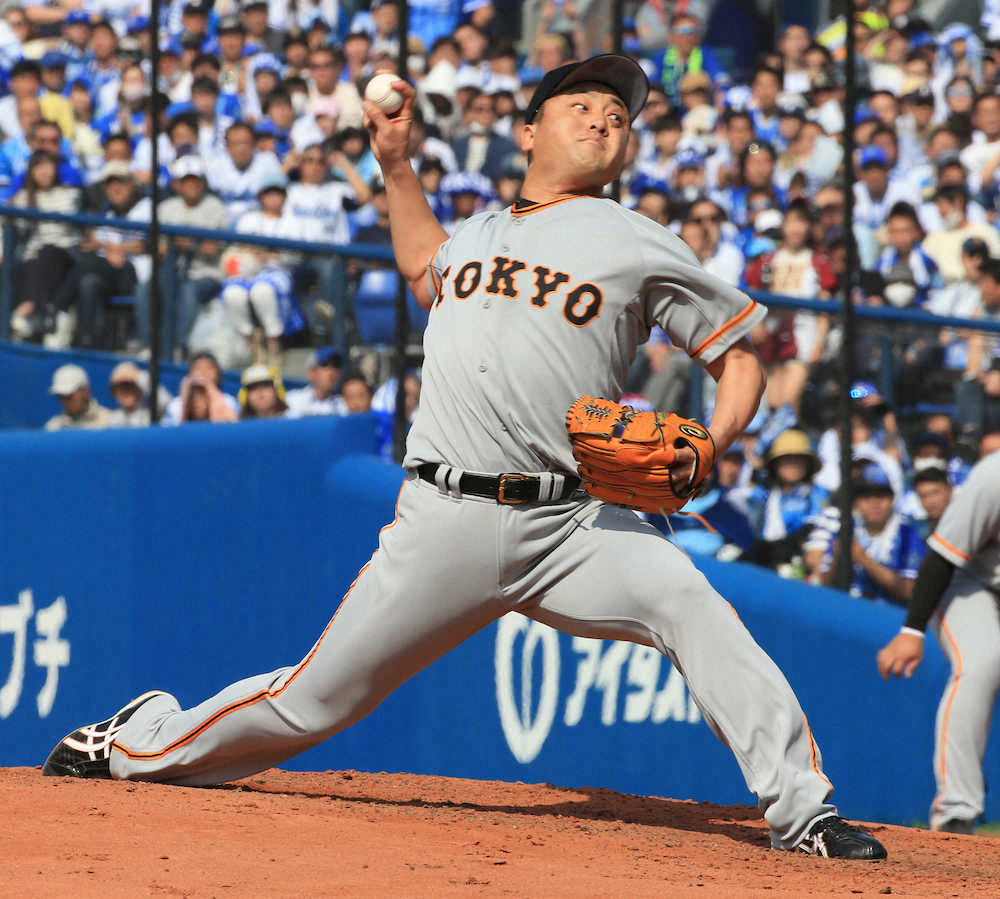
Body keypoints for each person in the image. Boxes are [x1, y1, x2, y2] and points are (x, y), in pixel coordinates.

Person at [41, 55, 885, 861]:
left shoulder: (641, 241)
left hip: (574, 523)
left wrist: (712, 438)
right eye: (581, 105)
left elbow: (741, 356)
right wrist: (397, 165)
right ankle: (136, 739)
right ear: (527, 132)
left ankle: (803, 809)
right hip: (447, 517)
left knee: (690, 600)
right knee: (311, 701)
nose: (603, 118)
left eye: (618, 114)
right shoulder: (476, 232)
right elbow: (421, 266)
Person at [876, 445, 1000, 834]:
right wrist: (911, 631)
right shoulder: (994, 476)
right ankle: (956, 812)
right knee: (980, 663)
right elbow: (942, 555)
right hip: (968, 581)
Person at [44, 364, 112, 432]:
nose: (65, 400)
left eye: (68, 395)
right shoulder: (53, 427)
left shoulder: (109, 421)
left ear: (86, 391)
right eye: (61, 396)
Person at [285, 347, 346, 418]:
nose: (331, 372)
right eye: (325, 365)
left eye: (336, 366)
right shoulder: (292, 401)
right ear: (311, 373)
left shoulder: (344, 405)